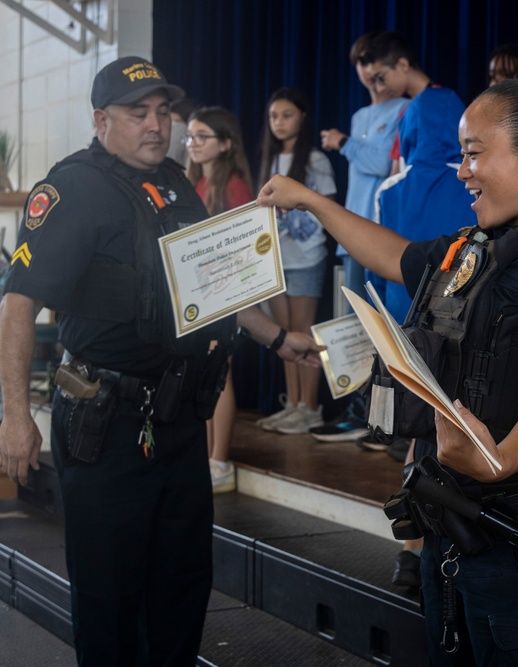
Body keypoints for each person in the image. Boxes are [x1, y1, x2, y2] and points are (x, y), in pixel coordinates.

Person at [259, 78, 518, 665]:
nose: (462, 170)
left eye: (475, 153)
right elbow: (396, 256)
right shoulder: (479, 246)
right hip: (457, 530)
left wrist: (498, 459)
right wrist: (311, 201)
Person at [0, 56, 322, 666]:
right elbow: (17, 306)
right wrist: (14, 418)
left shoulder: (175, 181)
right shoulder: (71, 190)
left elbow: (210, 286)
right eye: (137, 112)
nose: (156, 124)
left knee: (181, 584)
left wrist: (279, 341)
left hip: (175, 421)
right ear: (101, 120)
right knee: (110, 596)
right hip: (104, 425)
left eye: (163, 112)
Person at [313, 31, 409, 444]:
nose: (371, 79)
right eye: (364, 71)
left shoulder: (407, 110)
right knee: (352, 329)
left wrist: (344, 144)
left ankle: (388, 419)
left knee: (385, 329)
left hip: (383, 236)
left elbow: (380, 163)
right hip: (350, 233)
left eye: (378, 70)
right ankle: (358, 411)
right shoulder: (358, 116)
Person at [358, 31, 476, 324]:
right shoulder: (470, 185)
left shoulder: (428, 105)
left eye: (381, 77)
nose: (379, 87)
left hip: (405, 306)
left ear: (402, 65)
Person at [256, 87, 337, 435]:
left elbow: (328, 207)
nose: (279, 122)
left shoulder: (316, 160)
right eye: (274, 116)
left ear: (302, 118)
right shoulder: (270, 160)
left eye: (286, 115)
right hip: (275, 258)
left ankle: (311, 407)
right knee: (284, 336)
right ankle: (293, 404)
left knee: (303, 332)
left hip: (306, 257)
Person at [185, 105, 255, 492]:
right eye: (190, 137)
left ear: (225, 144)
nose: (193, 144)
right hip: (200, 293)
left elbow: (244, 247)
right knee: (205, 374)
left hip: (225, 294)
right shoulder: (196, 183)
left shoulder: (235, 187)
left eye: (202, 137)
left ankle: (220, 460)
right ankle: (207, 454)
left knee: (220, 375)